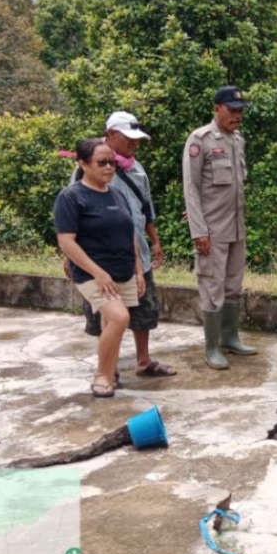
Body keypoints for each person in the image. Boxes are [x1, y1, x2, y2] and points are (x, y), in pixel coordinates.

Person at [76, 112, 176, 378]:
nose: (134, 143)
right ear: (110, 135)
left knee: (143, 308)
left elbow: (146, 207)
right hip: (101, 256)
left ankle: (143, 360)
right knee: (107, 315)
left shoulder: (136, 168)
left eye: (137, 139)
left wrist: (155, 240)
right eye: (128, 138)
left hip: (136, 251)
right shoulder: (88, 167)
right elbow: (73, 216)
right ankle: (108, 368)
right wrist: (70, 257)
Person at [55, 138, 145, 397]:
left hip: (123, 270)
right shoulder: (71, 197)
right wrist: (98, 273)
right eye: (102, 163)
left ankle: (111, 370)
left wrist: (139, 271)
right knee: (119, 317)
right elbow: (66, 241)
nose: (109, 168)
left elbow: (130, 234)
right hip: (92, 273)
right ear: (83, 164)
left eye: (112, 163)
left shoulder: (117, 194)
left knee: (111, 323)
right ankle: (102, 375)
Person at [182, 86, 258, 370]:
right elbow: (191, 188)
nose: (238, 115)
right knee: (212, 287)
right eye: (232, 110)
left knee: (233, 286)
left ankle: (230, 337)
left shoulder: (238, 140)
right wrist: (199, 231)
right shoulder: (200, 140)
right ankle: (212, 347)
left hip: (236, 228)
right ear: (217, 108)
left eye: (240, 111)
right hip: (212, 230)